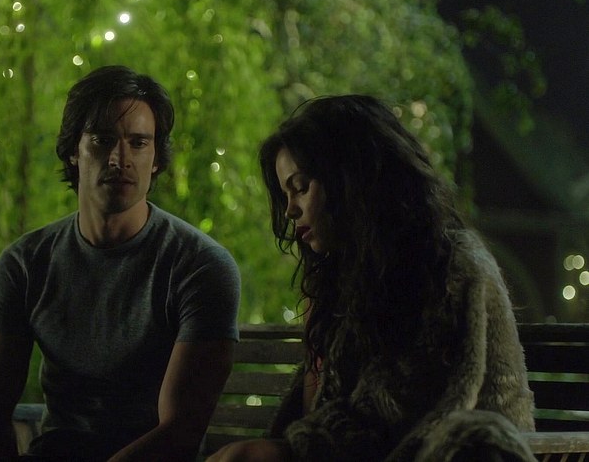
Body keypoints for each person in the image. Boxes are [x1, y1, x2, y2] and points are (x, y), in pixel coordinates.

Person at [207, 95, 536, 462]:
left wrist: (289, 450)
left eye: (300, 187)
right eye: (286, 194)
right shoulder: (341, 282)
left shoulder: (446, 267)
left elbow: (403, 407)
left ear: (350, 179)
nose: (290, 210)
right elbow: (318, 412)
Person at [0, 65, 241, 462]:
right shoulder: (25, 264)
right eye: (102, 139)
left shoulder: (199, 266)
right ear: (73, 151)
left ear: (156, 159)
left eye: (138, 143)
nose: (119, 158)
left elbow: (180, 431)